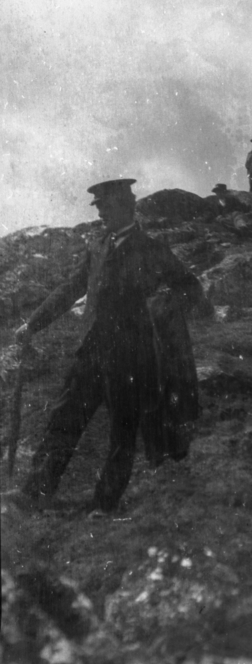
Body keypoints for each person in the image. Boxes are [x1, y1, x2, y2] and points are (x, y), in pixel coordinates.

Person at [11, 179, 208, 514]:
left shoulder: (151, 247)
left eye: (106, 206)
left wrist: (166, 303)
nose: (100, 213)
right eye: (98, 207)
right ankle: (36, 493)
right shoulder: (98, 245)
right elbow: (71, 287)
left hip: (131, 357)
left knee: (122, 432)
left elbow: (189, 287)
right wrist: (33, 324)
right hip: (89, 352)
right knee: (63, 420)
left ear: (125, 207)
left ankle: (104, 502)